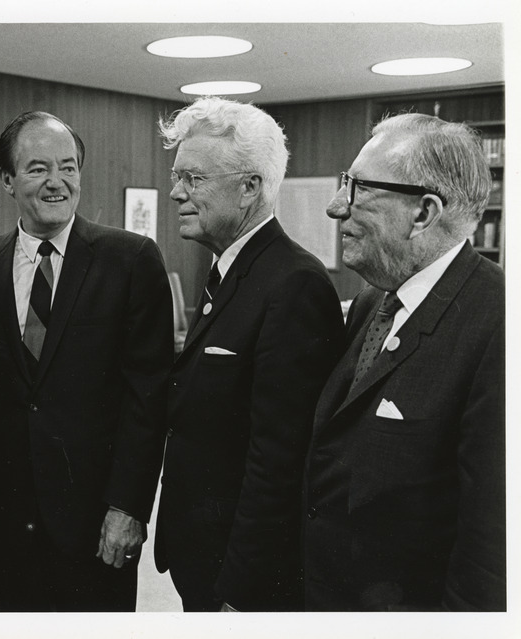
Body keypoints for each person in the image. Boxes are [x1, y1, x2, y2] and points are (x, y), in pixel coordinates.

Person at [0, 111, 173, 611]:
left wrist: (128, 507)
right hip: (10, 519)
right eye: (37, 169)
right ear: (6, 180)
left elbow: (148, 400)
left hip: (98, 520)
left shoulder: (131, 260)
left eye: (68, 167)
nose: (57, 183)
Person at [303, 113, 505, 611]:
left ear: (423, 213)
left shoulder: (500, 324)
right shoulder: (377, 300)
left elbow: (491, 546)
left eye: (358, 190)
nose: (335, 207)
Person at [153, 97, 345, 612]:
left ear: (250, 187)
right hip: (203, 553)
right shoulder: (226, 268)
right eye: (178, 177)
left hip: (242, 580)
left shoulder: (295, 283)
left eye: (193, 178)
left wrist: (239, 593)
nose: (176, 193)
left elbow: (278, 463)